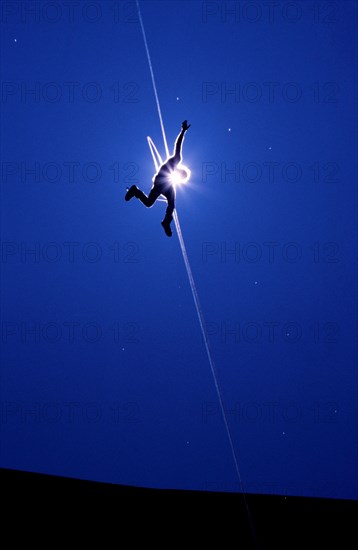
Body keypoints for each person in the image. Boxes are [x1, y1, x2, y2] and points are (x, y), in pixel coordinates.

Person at [125, 120, 191, 237]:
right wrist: (182, 132)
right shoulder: (175, 161)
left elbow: (171, 203)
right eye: (181, 175)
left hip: (163, 185)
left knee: (152, 203)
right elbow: (178, 146)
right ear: (180, 171)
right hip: (161, 179)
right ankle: (165, 221)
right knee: (169, 199)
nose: (179, 178)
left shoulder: (173, 184)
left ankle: (136, 191)